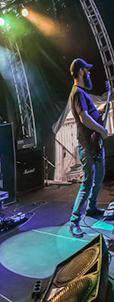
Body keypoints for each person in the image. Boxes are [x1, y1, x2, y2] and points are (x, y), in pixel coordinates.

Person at [68, 58, 108, 238]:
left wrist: (101, 111)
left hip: (94, 143)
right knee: (87, 182)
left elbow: (89, 113)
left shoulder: (82, 93)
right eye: (87, 70)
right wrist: (102, 130)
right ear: (81, 71)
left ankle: (91, 208)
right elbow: (84, 118)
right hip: (87, 144)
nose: (89, 72)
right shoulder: (77, 93)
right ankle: (74, 220)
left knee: (99, 176)